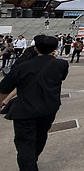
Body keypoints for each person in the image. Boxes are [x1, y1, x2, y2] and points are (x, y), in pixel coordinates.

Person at [0, 35, 68, 171]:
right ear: (55, 48)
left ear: (35, 48)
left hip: (25, 110)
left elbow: (4, 88)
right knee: (41, 137)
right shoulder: (61, 64)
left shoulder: (22, 66)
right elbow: (62, 77)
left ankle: (28, 164)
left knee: (24, 143)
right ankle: (31, 161)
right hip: (49, 108)